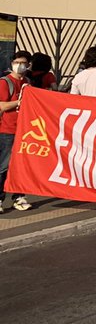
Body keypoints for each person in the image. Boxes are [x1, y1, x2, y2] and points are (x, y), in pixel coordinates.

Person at [0, 51, 32, 212]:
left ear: (28, 65)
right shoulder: (5, 82)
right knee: (4, 166)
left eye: (23, 62)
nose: (19, 65)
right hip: (7, 130)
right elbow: (2, 106)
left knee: (22, 166)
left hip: (24, 131)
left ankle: (18, 197)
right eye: (16, 62)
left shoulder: (27, 82)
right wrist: (20, 101)